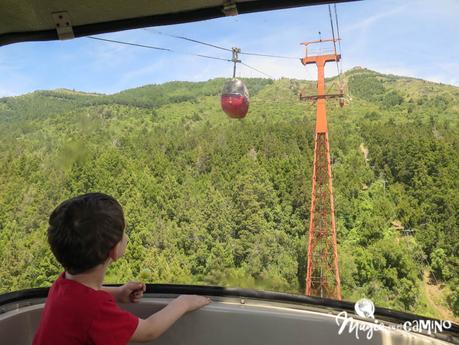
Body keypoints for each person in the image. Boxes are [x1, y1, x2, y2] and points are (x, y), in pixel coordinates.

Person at [33, 192, 211, 345]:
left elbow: (81, 296)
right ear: (115, 251)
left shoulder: (61, 284)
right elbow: (149, 331)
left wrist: (118, 293)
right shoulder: (96, 310)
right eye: (123, 232)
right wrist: (184, 303)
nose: (126, 236)